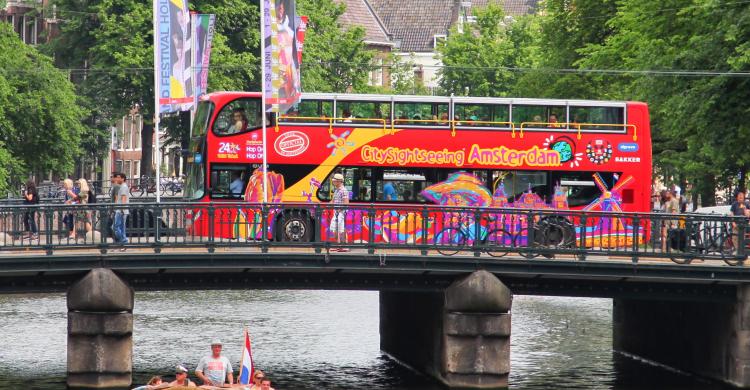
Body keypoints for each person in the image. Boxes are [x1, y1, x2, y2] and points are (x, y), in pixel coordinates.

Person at [330, 173, 349, 252]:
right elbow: (333, 201)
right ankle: (340, 246)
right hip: (338, 213)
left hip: (340, 213)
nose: (333, 182)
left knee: (337, 228)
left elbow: (346, 203)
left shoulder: (343, 190)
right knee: (339, 229)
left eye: (334, 181)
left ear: (339, 181)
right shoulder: (337, 190)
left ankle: (342, 246)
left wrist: (339, 211)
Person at [111, 172, 129, 250]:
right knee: (121, 228)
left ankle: (123, 241)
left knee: (115, 227)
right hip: (120, 210)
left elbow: (123, 199)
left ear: (122, 179)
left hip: (120, 211)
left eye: (118, 178)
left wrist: (122, 209)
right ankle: (122, 244)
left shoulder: (124, 187)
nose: (117, 179)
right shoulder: (122, 186)